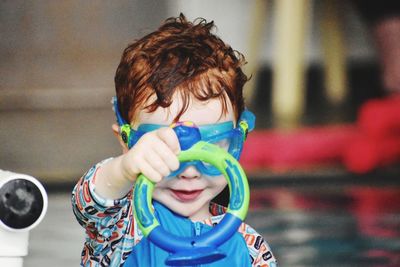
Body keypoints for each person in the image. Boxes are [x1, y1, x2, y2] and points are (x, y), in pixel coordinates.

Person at [71, 14, 277, 267]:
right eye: (165, 151)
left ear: (236, 142)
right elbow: (88, 203)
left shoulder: (250, 248)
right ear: (128, 144)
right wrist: (123, 169)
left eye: (209, 148)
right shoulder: (120, 226)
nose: (189, 172)